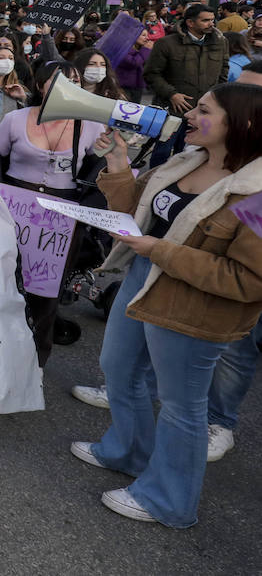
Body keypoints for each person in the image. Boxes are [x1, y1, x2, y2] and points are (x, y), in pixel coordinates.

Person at [72, 83, 262, 527]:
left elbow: (249, 279)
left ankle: (169, 500)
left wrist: (159, 251)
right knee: (118, 367)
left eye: (204, 110)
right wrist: (118, 164)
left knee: (181, 405)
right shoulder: (185, 160)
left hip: (194, 307)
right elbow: (137, 214)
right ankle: (127, 452)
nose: (189, 114)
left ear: (244, 125)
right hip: (145, 280)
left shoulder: (256, 193)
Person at [0, 61, 106, 365]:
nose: (68, 88)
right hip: (14, 206)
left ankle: (34, 359)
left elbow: (102, 172)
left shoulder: (91, 126)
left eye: (74, 82)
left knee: (45, 289)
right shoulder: (16, 119)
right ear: (42, 84)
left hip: (62, 214)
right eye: (59, 81)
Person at [144, 4, 228, 166]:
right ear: (190, 22)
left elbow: (223, 71)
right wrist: (171, 94)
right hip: (172, 110)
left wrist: (216, 97)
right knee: (162, 151)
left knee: (192, 154)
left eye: (212, 20)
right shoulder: (167, 43)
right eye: (205, 20)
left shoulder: (220, 43)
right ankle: (153, 184)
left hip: (203, 111)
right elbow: (151, 74)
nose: (211, 24)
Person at [115, 28, 154, 103]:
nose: (147, 38)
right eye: (143, 35)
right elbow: (133, 63)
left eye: (147, 35)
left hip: (137, 86)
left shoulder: (139, 49)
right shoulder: (123, 48)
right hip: (125, 86)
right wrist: (146, 49)